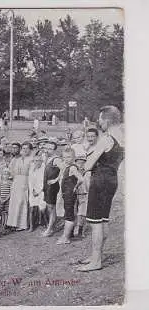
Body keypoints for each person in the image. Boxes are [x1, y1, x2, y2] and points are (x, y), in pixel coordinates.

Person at [77, 106, 124, 272]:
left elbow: (88, 165)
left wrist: (83, 163)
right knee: (103, 219)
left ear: (107, 120)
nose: (99, 122)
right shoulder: (123, 137)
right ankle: (96, 256)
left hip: (100, 180)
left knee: (95, 222)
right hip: (112, 180)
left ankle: (96, 261)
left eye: (100, 119)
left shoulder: (106, 138)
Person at [55, 148, 84, 245]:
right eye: (64, 157)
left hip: (69, 194)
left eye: (69, 157)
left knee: (69, 214)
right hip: (66, 194)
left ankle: (66, 238)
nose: (66, 159)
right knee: (68, 212)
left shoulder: (72, 167)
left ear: (74, 157)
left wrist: (75, 187)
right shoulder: (66, 167)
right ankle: (69, 234)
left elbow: (81, 179)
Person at [6, 142, 33, 231]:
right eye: (23, 148)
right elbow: (11, 170)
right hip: (16, 181)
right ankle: (13, 223)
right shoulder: (17, 159)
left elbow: (32, 173)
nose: (24, 150)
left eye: (27, 148)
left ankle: (22, 224)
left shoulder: (31, 160)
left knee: (22, 202)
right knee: (14, 201)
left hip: (25, 181)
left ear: (30, 150)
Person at [42, 139, 62, 237]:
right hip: (47, 186)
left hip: (53, 187)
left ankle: (50, 229)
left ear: (54, 150)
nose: (47, 150)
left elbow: (65, 168)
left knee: (52, 207)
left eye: (50, 149)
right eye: (47, 148)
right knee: (49, 207)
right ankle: (51, 226)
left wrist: (56, 180)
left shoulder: (56, 159)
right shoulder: (47, 158)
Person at [28, 152, 46, 232]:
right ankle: (32, 226)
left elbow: (44, 182)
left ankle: (46, 223)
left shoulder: (43, 169)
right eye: (35, 161)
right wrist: (32, 191)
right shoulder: (31, 169)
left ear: (41, 161)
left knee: (42, 209)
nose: (37, 162)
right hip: (33, 192)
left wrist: (38, 191)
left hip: (41, 191)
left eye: (39, 161)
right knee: (32, 209)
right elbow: (30, 182)